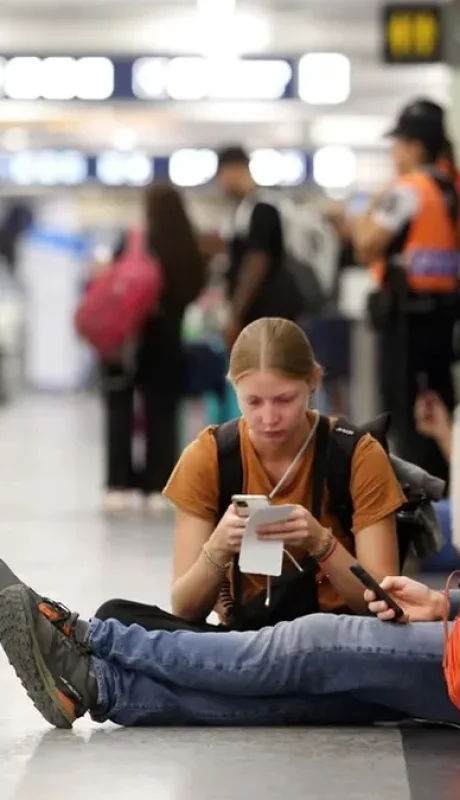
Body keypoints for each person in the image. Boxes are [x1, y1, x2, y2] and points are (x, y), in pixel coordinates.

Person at [95, 317, 403, 631]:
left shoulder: (357, 455)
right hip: (245, 641)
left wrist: (321, 543)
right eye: (253, 402)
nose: (269, 418)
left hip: (335, 638)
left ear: (314, 381)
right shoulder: (209, 456)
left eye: (285, 400)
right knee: (114, 616)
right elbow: (185, 610)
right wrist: (217, 548)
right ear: (234, 388)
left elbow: (383, 603)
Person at [1, 565, 460, 729]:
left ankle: (84, 635)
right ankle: (96, 686)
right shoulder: (214, 451)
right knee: (309, 700)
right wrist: (447, 602)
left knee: (316, 642)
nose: (269, 417)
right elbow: (186, 603)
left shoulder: (351, 453)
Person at [351, 100, 459, 481]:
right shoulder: (452, 187)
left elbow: (364, 244)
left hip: (406, 324)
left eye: (397, 145)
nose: (393, 154)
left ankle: (417, 504)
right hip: (445, 319)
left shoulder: (409, 190)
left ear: (414, 147)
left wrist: (376, 200)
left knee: (407, 418)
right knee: (439, 410)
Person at [102, 183, 205, 514]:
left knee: (121, 409)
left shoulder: (135, 241)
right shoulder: (187, 245)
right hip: (169, 339)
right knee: (163, 413)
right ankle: (159, 483)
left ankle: (119, 484)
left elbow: (113, 283)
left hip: (129, 339)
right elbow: (195, 288)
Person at [216, 147, 306, 349]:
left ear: (235, 170)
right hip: (266, 311)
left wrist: (235, 313)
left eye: (221, 175)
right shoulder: (248, 208)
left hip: (269, 312)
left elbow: (258, 261)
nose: (220, 183)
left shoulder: (262, 207)